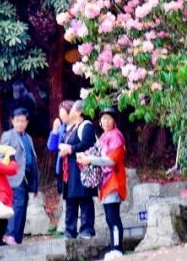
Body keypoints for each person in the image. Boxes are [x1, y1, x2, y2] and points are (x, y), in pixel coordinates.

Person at [78, 107, 128, 259]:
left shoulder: (116, 136)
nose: (106, 122)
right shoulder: (104, 136)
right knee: (109, 217)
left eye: (109, 118)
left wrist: (90, 159)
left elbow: (111, 160)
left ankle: (118, 248)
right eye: (103, 119)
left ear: (114, 121)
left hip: (114, 180)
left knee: (113, 216)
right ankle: (114, 248)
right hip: (105, 182)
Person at [0, 107, 39, 245]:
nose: (20, 124)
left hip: (27, 177)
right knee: (18, 205)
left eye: (23, 121)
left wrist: (35, 184)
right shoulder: (8, 135)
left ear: (27, 122)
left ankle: (17, 238)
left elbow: (32, 159)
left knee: (23, 206)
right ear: (12, 121)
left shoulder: (28, 137)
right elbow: (0, 157)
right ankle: (10, 235)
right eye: (17, 121)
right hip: (13, 177)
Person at [58, 100, 97, 239]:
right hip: (69, 170)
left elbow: (88, 143)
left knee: (84, 198)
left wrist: (71, 149)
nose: (71, 111)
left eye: (73, 109)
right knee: (70, 200)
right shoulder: (71, 128)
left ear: (79, 111)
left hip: (81, 168)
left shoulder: (86, 126)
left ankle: (87, 229)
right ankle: (70, 230)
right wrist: (63, 150)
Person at [46, 100, 74, 193]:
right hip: (61, 168)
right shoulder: (62, 128)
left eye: (63, 113)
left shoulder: (78, 127)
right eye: (60, 113)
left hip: (74, 168)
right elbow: (51, 147)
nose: (61, 116)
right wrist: (55, 129)